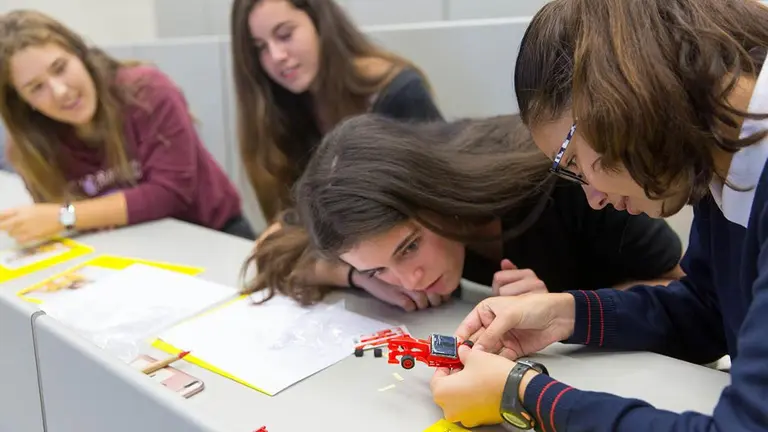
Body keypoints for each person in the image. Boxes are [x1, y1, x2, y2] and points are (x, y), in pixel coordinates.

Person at [429, 0, 768, 430]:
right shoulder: (719, 154)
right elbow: (709, 312)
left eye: (573, 161)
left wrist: (524, 394)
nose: (593, 198)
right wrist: (564, 314)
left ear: (627, 94)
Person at [243, 113, 683, 311]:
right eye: (379, 269)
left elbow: (684, 287)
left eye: (409, 248)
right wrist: (361, 279)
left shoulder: (566, 179)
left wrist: (566, 308)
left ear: (434, 194)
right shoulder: (372, 206)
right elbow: (272, 244)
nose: (410, 281)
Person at [0, 10, 253, 244]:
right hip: (128, 252)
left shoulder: (147, 91)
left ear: (79, 54)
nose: (60, 91)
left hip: (213, 236)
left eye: (60, 67)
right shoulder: (29, 148)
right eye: (36, 87)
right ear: (21, 101)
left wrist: (65, 216)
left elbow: (170, 193)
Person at [230, 0, 442, 224]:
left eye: (285, 35)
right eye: (260, 48)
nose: (276, 56)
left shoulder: (398, 93)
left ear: (320, 22)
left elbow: (439, 204)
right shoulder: (284, 109)